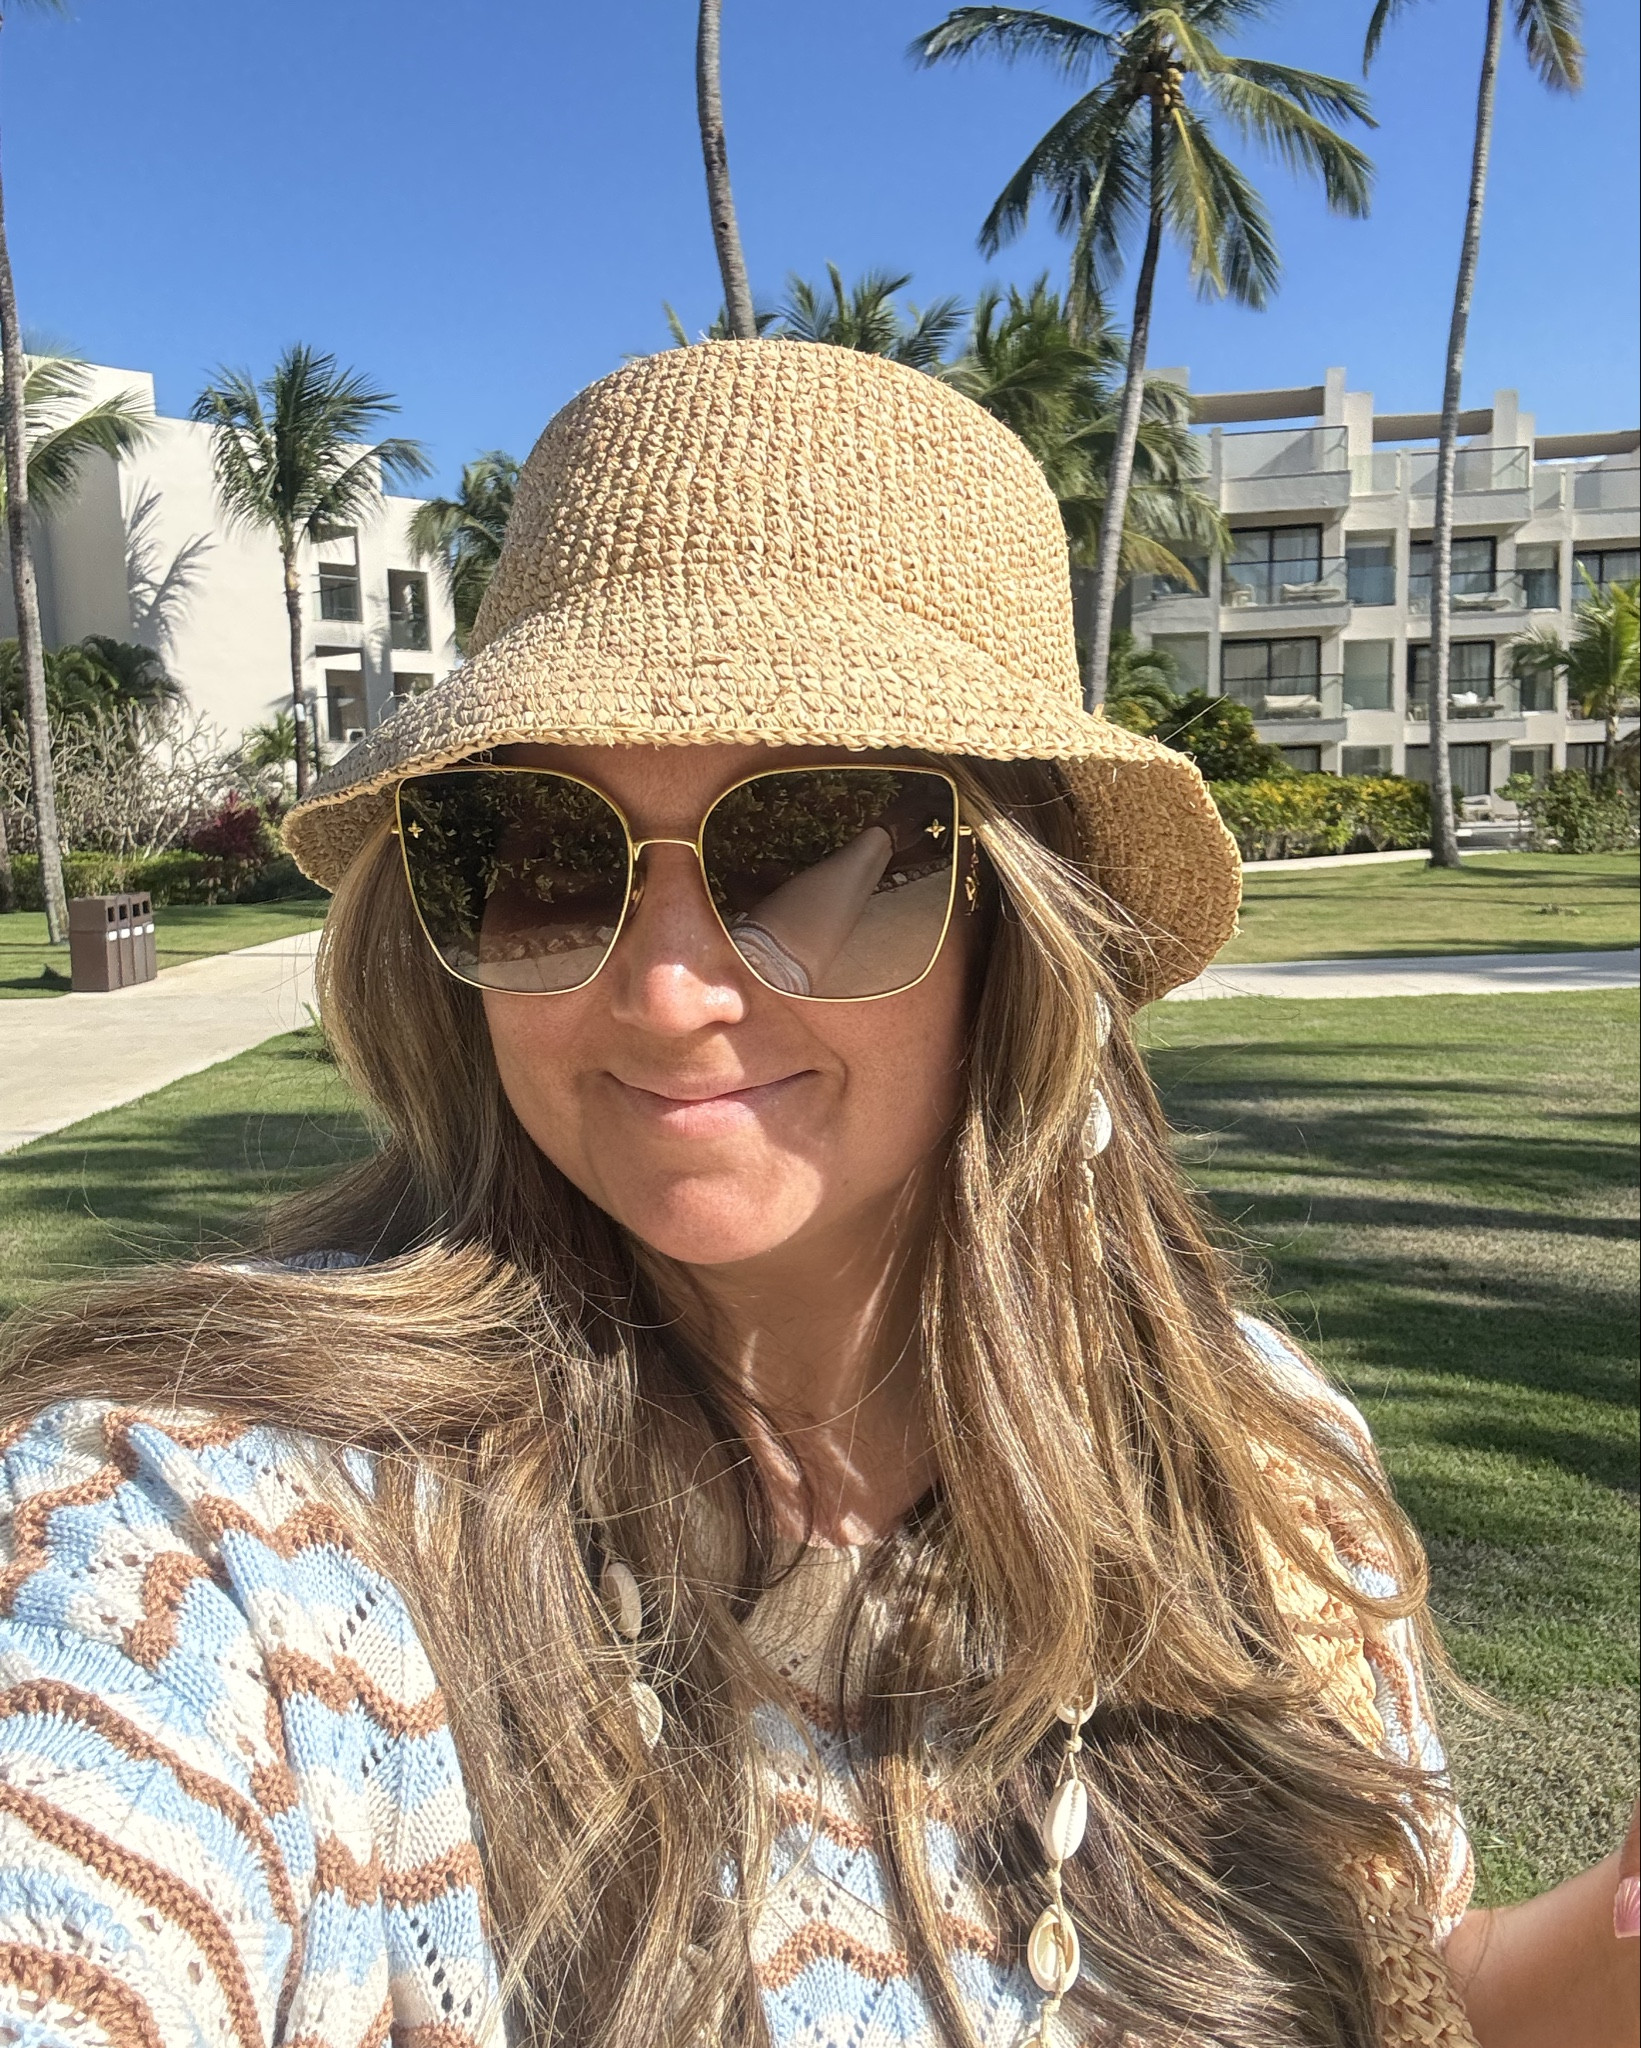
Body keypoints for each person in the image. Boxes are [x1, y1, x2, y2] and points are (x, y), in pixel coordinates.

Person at [0, 342, 1633, 2048]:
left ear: (1020, 923)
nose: (665, 995)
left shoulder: (1255, 1461)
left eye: (805, 848)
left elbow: (1398, 1984)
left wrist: (1611, 1938)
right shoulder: (217, 1530)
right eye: (542, 854)